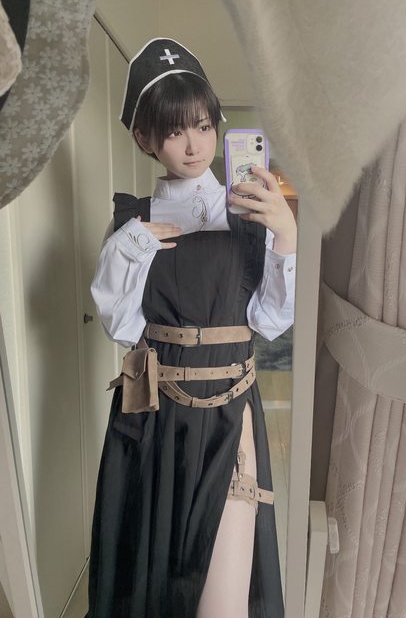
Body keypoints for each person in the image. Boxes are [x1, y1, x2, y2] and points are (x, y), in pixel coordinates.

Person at [86, 38, 296, 618]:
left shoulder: (250, 214)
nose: (194, 144)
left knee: (222, 599)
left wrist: (285, 235)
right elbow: (122, 324)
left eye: (204, 126)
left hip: (230, 411)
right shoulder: (130, 222)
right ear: (144, 138)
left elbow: (270, 321)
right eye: (175, 131)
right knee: (152, 582)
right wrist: (129, 247)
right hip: (154, 414)